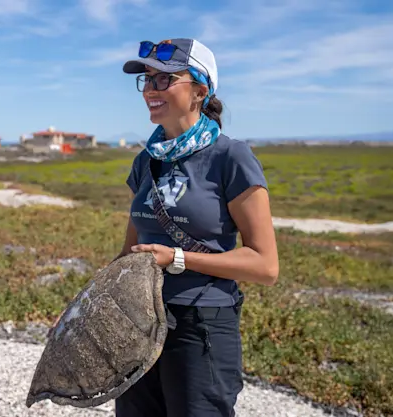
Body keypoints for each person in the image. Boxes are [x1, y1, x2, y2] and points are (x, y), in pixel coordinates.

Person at [113, 38, 279, 416]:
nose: (151, 91)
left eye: (164, 80)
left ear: (200, 92)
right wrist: (86, 308)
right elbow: (129, 253)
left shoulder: (230, 157)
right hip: (141, 319)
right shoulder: (146, 162)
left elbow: (265, 266)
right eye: (147, 80)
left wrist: (176, 258)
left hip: (200, 324)